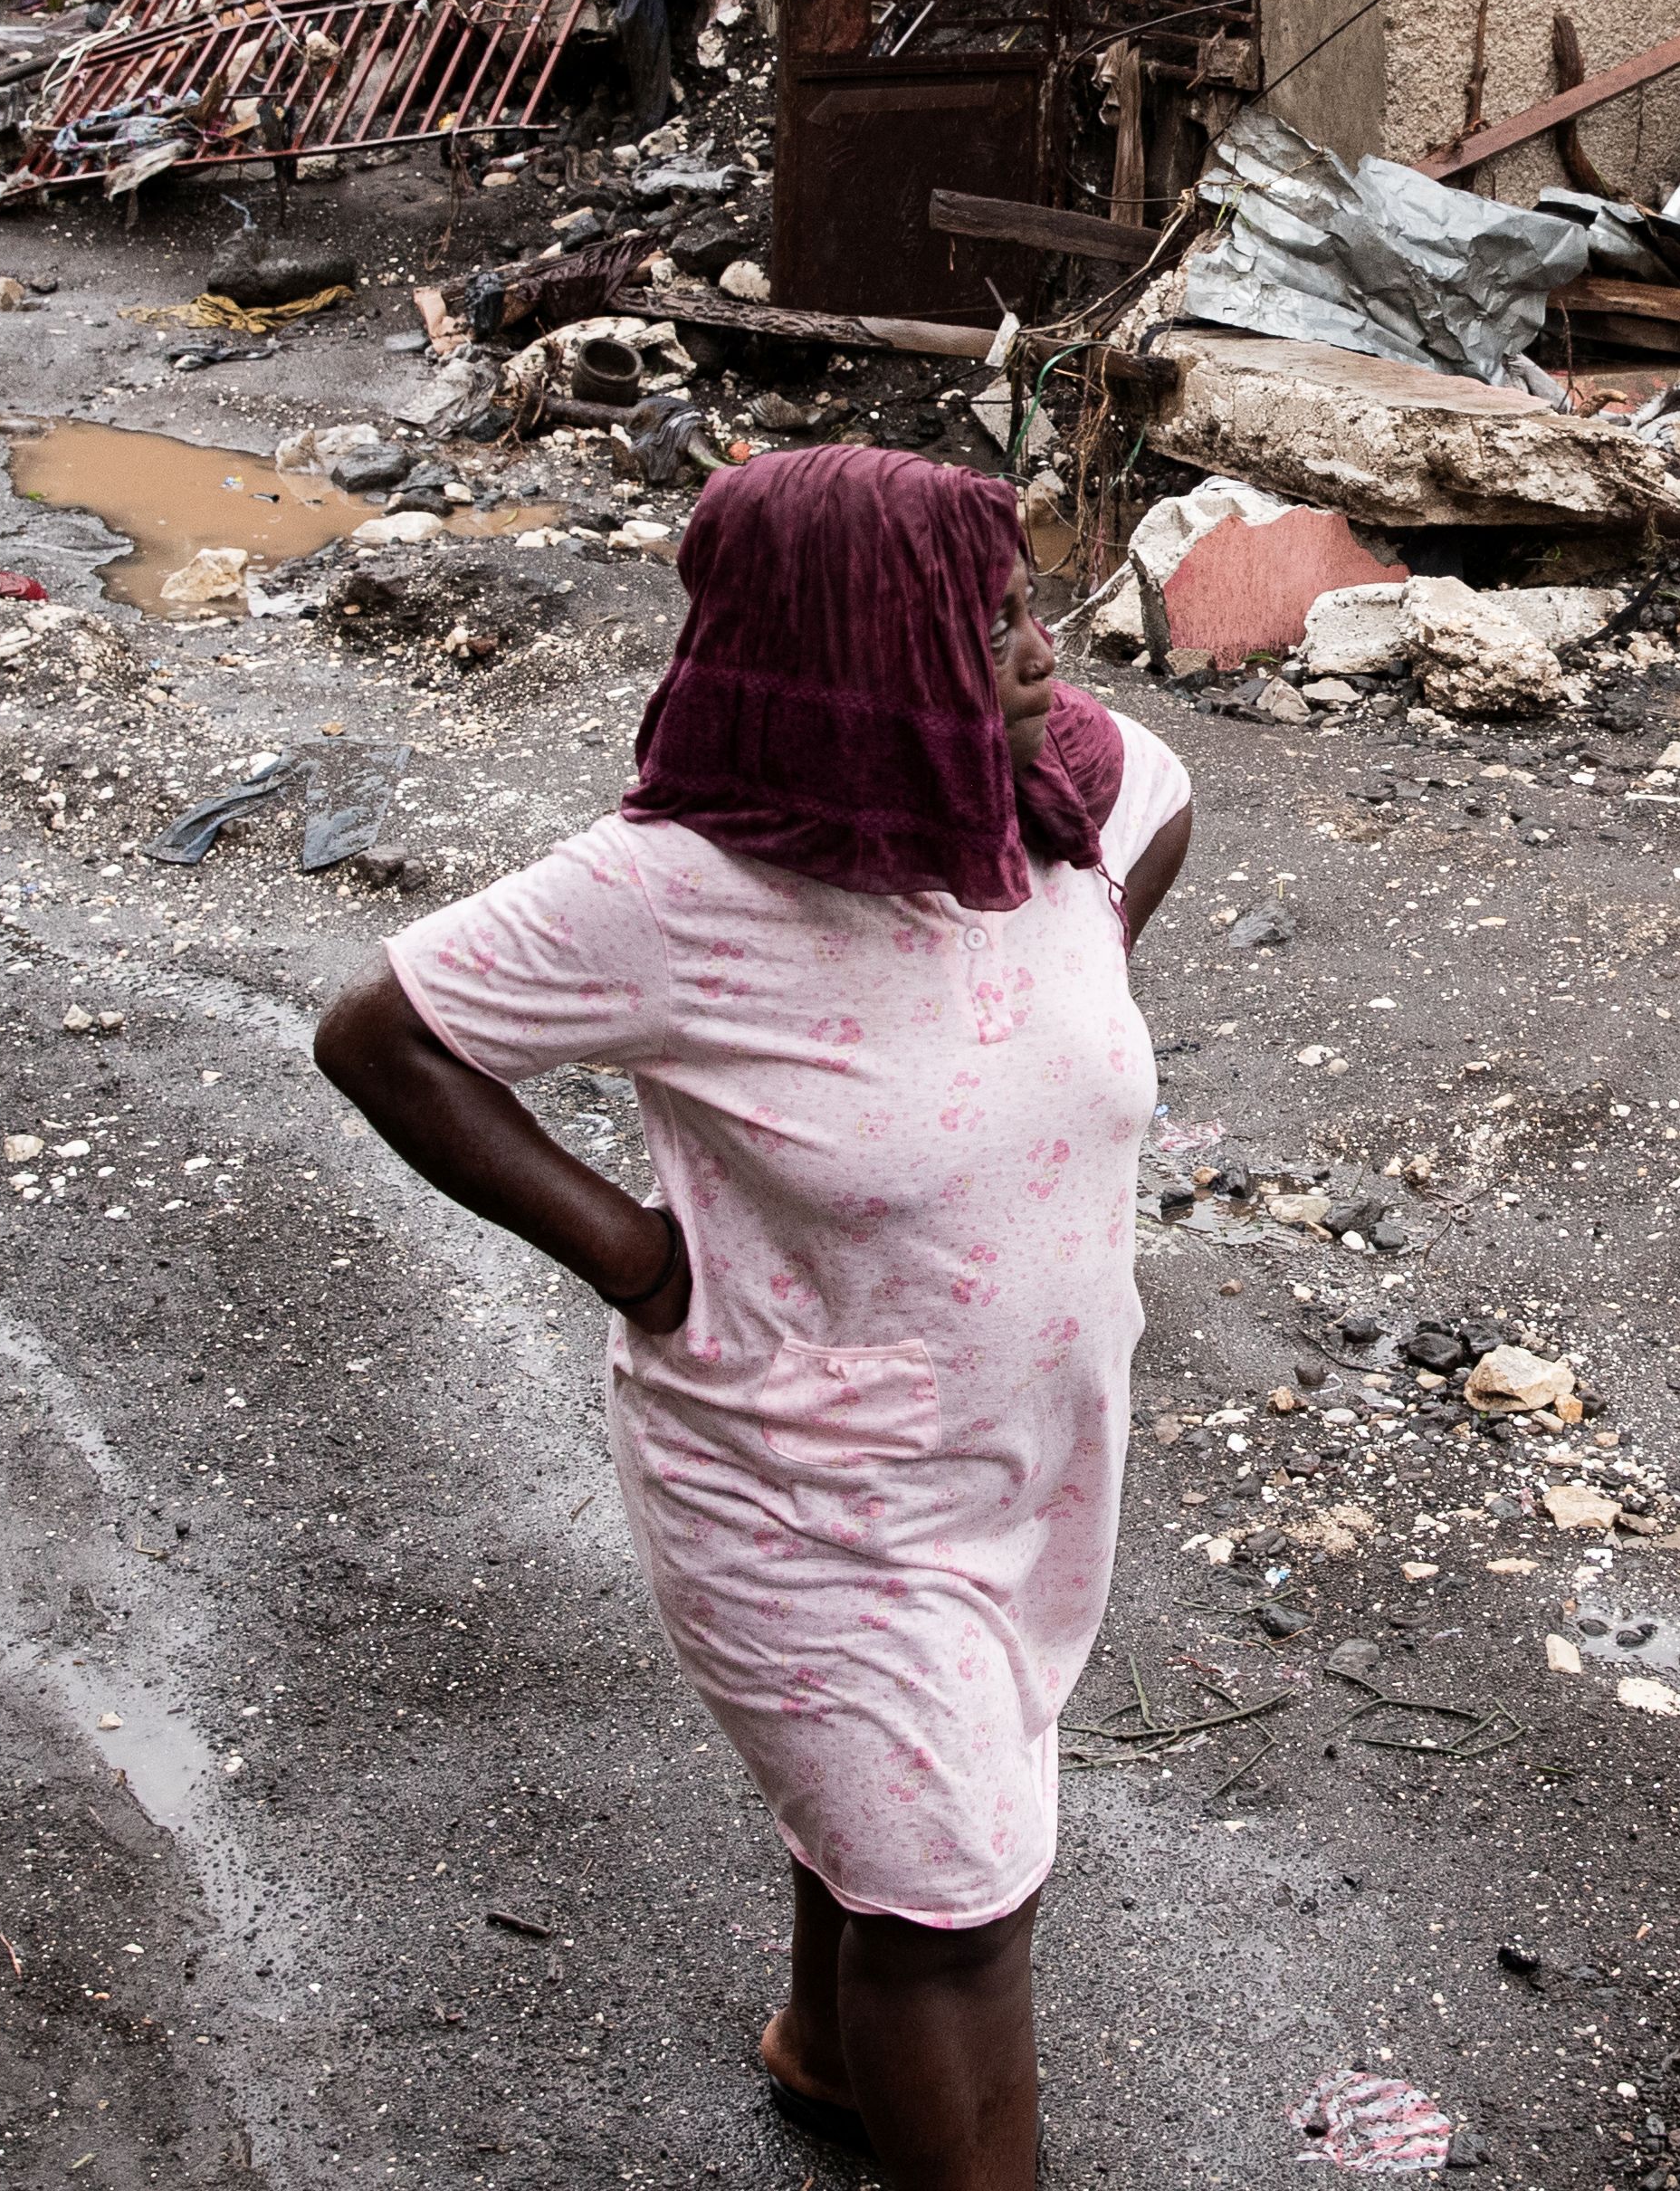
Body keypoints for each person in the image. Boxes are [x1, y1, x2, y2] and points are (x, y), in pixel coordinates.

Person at [314, 445, 1195, 2190]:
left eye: (1030, 605)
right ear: (852, 667)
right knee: (956, 1910)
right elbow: (383, 1036)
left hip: (1023, 1457)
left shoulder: (1054, 803)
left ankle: (826, 2055)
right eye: (987, 622)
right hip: (799, 1480)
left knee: (906, 1807)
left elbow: (1162, 797)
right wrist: (633, 1256)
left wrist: (1057, 990)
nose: (1042, 652)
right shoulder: (674, 892)